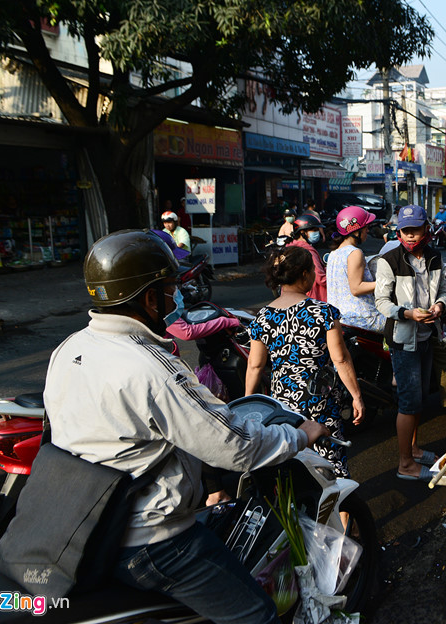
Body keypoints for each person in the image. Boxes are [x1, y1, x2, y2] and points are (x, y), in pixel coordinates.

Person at [44, 229, 329, 624]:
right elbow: (235, 445)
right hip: (151, 540)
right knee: (258, 612)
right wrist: (300, 435)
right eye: (170, 289)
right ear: (148, 298)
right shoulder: (151, 368)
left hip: (84, 525)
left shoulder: (70, 347)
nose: (174, 299)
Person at [245, 246, 364, 478]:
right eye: (312, 271)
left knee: (293, 464)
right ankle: (339, 512)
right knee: (332, 466)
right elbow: (340, 359)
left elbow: (255, 366)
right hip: (320, 400)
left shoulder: (262, 316)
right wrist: (357, 396)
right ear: (303, 275)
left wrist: (250, 405)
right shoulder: (324, 312)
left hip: (283, 404)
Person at [374, 204, 446, 480]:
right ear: (398, 232)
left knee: (418, 399)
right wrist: (407, 313)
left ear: (425, 229)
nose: (410, 236)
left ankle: (414, 449)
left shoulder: (434, 256)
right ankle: (405, 464)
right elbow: (381, 302)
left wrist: (439, 306)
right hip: (402, 339)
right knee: (408, 402)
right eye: (405, 231)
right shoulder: (390, 259)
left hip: (427, 335)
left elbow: (441, 291)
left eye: (415, 230)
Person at [326, 206, 386, 333]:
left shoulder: (333, 254)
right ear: (355, 231)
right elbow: (356, 288)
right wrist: (385, 282)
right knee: (404, 321)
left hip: (339, 319)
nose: (367, 232)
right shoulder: (355, 253)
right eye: (366, 228)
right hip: (362, 319)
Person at [287, 213, 327, 301]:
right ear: (302, 232)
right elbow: (321, 279)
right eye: (314, 230)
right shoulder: (307, 251)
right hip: (311, 298)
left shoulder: (290, 248)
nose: (317, 233)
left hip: (291, 298)